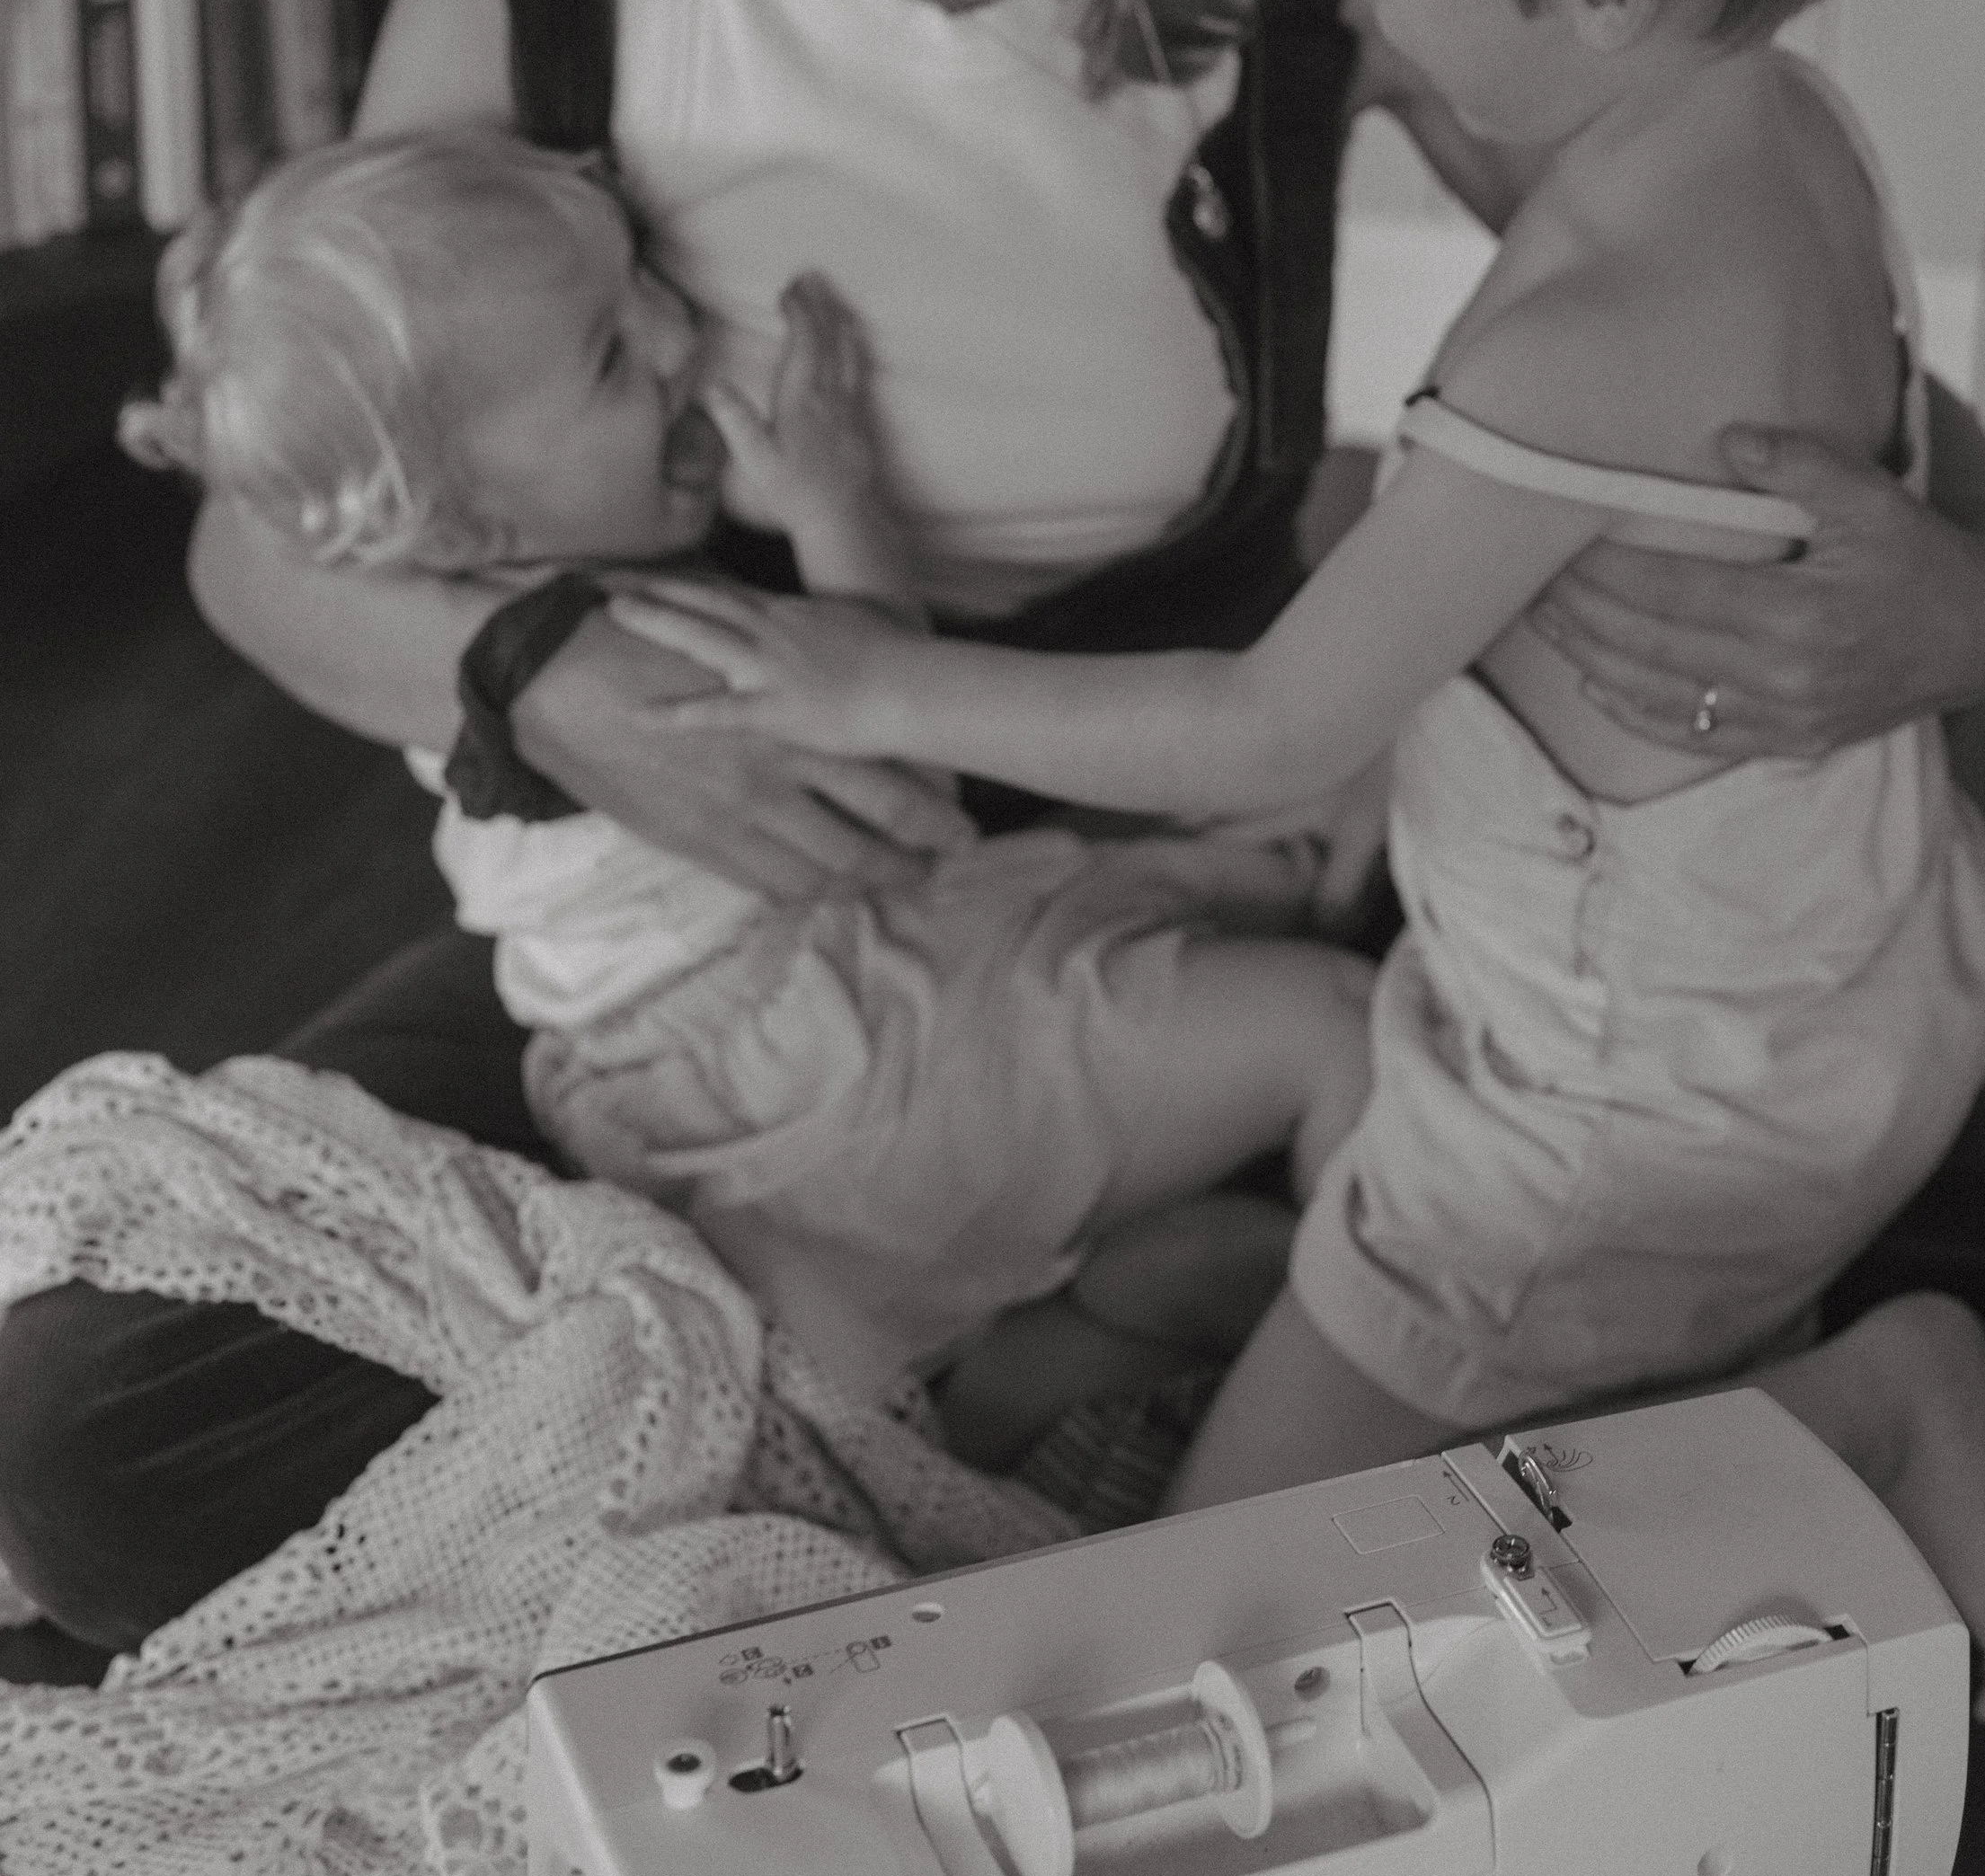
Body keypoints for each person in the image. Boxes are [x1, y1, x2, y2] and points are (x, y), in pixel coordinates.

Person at [0, 0, 1985, 1667]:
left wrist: (1974, 594)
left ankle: (1072, 1405)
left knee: (1791, 1227)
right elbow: (275, 533)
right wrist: (540, 669)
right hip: (735, 902)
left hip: (1185, 811)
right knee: (83, 1422)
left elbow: (1720, 322)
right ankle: (1063, 1358)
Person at [606, 0, 1985, 1742]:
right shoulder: (1777, 131)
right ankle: (1356, 1313)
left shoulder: (1576, 334)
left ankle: (1858, 1410)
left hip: (1607, 1110)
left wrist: (869, 663)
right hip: (1838, 965)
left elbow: (1267, 732)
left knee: (1224, 1619)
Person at [115, 128, 1375, 1415]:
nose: (676, 341)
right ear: (467, 522)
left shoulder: (524, 620)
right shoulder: (634, 655)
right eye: (613, 350)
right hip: (820, 1075)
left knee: (1236, 903)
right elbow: (902, 788)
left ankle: (1061, 1354)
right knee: (1333, 1024)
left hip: (757, 1055)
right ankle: (1362, 1397)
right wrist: (838, 504)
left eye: (643, 284)